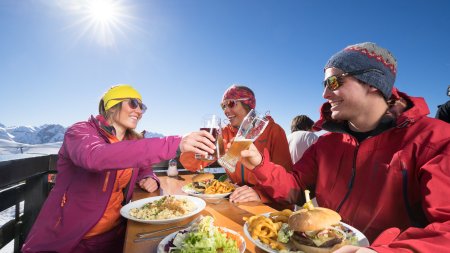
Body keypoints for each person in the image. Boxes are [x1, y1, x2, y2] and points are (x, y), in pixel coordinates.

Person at [238, 42, 450, 252]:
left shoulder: (434, 140)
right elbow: (295, 189)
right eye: (324, 85)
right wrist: (260, 164)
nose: (325, 94)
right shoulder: (326, 144)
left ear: (373, 82)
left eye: (334, 82)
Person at [22, 84, 215, 253]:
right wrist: (175, 143)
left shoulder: (132, 140)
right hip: (69, 240)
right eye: (133, 103)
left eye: (142, 106)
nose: (139, 111)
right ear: (112, 105)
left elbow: (142, 166)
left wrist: (149, 177)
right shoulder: (80, 131)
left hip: (116, 234)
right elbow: (96, 157)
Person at [180, 85, 293, 203]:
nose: (225, 111)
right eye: (223, 106)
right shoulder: (224, 133)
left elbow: (288, 182)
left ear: (248, 105)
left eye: (231, 103)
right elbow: (190, 165)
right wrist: (201, 151)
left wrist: (260, 194)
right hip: (237, 199)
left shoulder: (273, 131)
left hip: (269, 205)